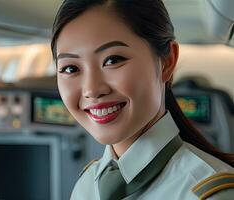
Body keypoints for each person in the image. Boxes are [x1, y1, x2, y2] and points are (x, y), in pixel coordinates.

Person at [51, 0, 234, 199]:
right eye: (71, 68)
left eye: (113, 60)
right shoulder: (85, 186)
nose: (92, 90)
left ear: (166, 62)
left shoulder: (212, 194)